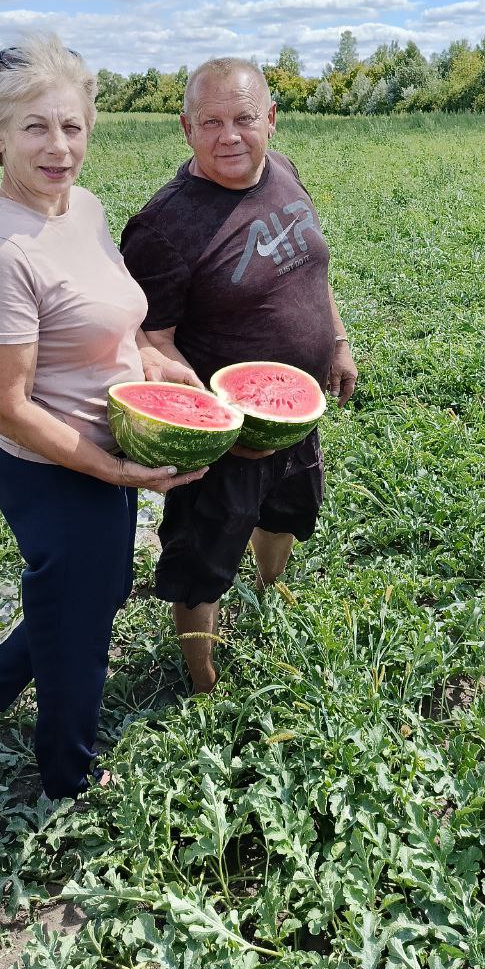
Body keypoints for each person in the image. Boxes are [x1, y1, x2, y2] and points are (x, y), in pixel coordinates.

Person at [0, 34, 206, 801]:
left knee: (90, 594)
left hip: (109, 445)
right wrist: (114, 469)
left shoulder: (81, 207)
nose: (58, 148)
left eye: (72, 127)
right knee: (82, 630)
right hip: (52, 469)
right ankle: (66, 782)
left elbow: (107, 312)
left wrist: (150, 362)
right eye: (35, 128)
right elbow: (6, 406)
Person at [120, 57, 357, 694]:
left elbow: (312, 269)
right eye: (212, 122)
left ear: (271, 120)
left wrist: (335, 340)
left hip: (296, 417)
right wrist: (215, 423)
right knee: (201, 559)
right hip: (225, 440)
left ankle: (268, 592)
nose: (231, 136)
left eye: (245, 119)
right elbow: (149, 339)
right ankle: (202, 682)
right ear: (186, 128)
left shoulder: (282, 170)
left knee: (285, 515)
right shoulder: (163, 227)